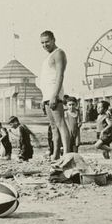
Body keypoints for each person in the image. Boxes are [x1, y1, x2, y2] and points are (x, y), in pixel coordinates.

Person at [39, 30, 69, 159]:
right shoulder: (48, 56)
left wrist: (54, 95)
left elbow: (60, 75)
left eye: (47, 41)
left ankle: (67, 153)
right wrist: (43, 98)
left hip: (54, 93)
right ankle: (55, 154)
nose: (45, 45)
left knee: (61, 123)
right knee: (53, 127)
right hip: (47, 94)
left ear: (53, 40)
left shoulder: (59, 53)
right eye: (42, 43)